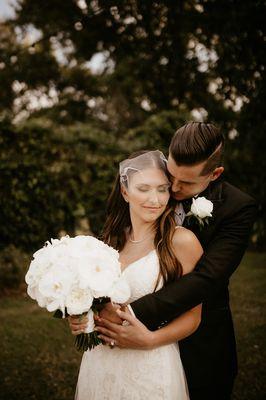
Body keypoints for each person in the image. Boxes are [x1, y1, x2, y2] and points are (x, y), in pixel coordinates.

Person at [92, 122, 257, 400]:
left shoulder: (237, 207)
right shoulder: (155, 188)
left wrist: (128, 315)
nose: (174, 189)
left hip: (201, 341)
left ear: (215, 174)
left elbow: (207, 279)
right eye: (172, 176)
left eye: (187, 183)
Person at [69, 150, 204, 399]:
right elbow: (96, 302)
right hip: (100, 362)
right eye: (144, 188)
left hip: (151, 363)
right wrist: (80, 316)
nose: (155, 199)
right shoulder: (108, 241)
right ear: (124, 191)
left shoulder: (181, 242)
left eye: (162, 189)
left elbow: (193, 317)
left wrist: (150, 340)